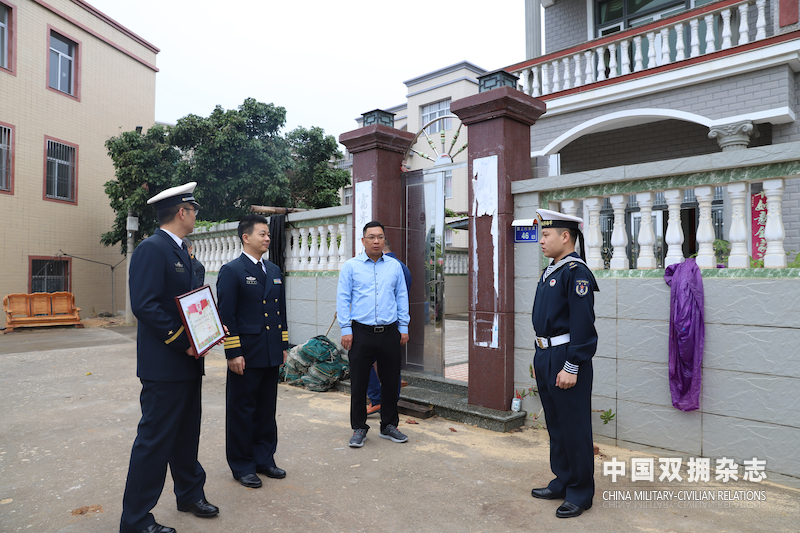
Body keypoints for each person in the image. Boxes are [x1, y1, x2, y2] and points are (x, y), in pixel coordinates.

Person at [120, 182, 219, 533]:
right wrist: (184, 342)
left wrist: (204, 336)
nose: (195, 215)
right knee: (154, 442)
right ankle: (135, 520)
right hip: (166, 363)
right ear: (182, 212)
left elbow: (192, 299)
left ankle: (190, 494)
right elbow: (145, 305)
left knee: (186, 434)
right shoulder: (152, 248)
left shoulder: (182, 250)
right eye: (194, 210)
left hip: (189, 362)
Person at [529, 208, 599, 519]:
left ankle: (581, 492)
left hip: (567, 356)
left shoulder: (576, 273)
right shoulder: (552, 270)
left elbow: (583, 324)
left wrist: (573, 365)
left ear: (565, 237)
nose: (541, 240)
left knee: (574, 427)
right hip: (546, 355)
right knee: (556, 426)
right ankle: (563, 480)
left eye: (546, 235)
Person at [216, 214, 288, 488]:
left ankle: (264, 459)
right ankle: (242, 464)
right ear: (246, 237)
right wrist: (233, 352)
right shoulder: (232, 271)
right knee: (242, 411)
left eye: (269, 234)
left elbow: (281, 312)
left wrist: (283, 346)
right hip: (245, 354)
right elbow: (227, 316)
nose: (267, 238)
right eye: (262, 234)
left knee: (266, 409)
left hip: (270, 352)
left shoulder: (273, 271)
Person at [337, 221, 410, 448]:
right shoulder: (351, 266)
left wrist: (404, 327)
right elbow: (343, 299)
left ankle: (389, 425)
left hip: (389, 332)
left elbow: (401, 297)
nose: (376, 241)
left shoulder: (394, 266)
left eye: (379, 237)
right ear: (363, 241)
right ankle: (359, 427)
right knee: (358, 383)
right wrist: (346, 329)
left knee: (390, 381)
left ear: (384, 240)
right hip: (361, 333)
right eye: (371, 237)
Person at [366, 238, 411, 416]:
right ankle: (387, 401)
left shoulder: (391, 267)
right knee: (391, 366)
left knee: (366, 362)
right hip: (395, 324)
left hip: (383, 325)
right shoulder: (403, 267)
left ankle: (378, 399)